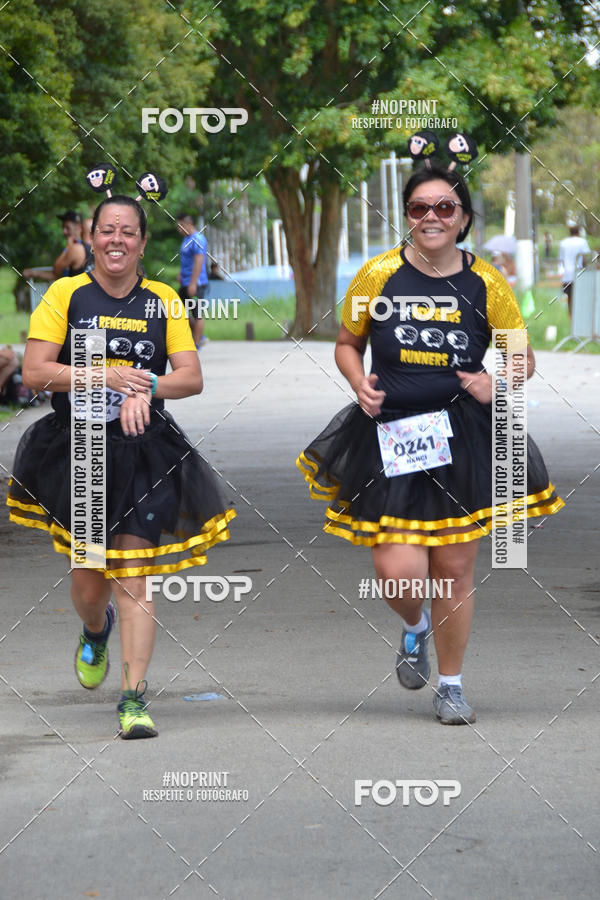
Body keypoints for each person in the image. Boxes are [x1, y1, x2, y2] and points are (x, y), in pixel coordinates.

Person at [297, 162, 564, 726]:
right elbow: (347, 343)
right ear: (407, 216)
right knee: (398, 573)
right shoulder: (376, 275)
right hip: (391, 433)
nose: (432, 217)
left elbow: (522, 357)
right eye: (420, 208)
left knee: (453, 568)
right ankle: (414, 625)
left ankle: (451, 687)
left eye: (445, 207)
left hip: (464, 436)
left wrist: (498, 381)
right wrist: (357, 381)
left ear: (463, 217)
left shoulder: (486, 282)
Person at [7, 194, 235, 739]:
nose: (116, 240)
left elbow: (190, 377)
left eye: (127, 231)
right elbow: (35, 371)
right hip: (82, 449)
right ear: (92, 238)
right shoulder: (66, 294)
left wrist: (147, 386)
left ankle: (133, 699)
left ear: (142, 243)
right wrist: (103, 375)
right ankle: (95, 629)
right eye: (107, 230)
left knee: (133, 576)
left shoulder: (163, 301)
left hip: (144, 451)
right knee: (91, 584)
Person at [23, 210, 92, 282]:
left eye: (67, 227)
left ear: (78, 227)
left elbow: (55, 274)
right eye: (63, 227)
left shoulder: (77, 248)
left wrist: (35, 273)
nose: (64, 231)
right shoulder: (72, 245)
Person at [176, 213, 209, 347]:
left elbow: (199, 261)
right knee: (179, 311)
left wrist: (193, 283)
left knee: (197, 313)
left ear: (188, 224)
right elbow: (186, 260)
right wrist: (181, 273)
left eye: (180, 226)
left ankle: (196, 343)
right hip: (185, 282)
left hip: (196, 283)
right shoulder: (186, 239)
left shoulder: (198, 239)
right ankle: (199, 336)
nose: (179, 229)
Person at [559, 225, 591, 317]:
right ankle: (580, 316)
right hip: (579, 274)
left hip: (567, 275)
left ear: (569, 232)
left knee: (570, 297)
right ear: (578, 232)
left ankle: (571, 316)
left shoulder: (563, 243)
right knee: (581, 297)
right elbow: (585, 257)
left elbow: (562, 260)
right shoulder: (582, 242)